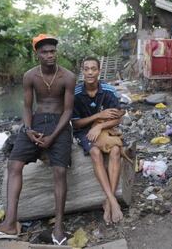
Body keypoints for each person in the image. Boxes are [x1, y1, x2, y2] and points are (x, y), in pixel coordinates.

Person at [0, 34, 76, 245]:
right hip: (36, 122)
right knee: (14, 164)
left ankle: (58, 227)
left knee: (59, 170)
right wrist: (28, 129)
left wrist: (52, 138)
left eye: (52, 51)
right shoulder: (30, 76)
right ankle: (10, 223)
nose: (49, 55)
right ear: (37, 54)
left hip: (59, 123)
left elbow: (68, 111)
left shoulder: (67, 76)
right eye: (44, 52)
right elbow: (27, 107)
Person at [72, 57, 125, 224]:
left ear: (99, 71)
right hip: (84, 131)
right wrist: (97, 116)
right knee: (95, 152)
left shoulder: (108, 90)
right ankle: (113, 201)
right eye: (86, 69)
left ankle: (109, 202)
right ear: (82, 71)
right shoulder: (76, 94)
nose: (89, 72)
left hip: (105, 127)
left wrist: (99, 126)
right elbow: (75, 123)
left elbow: (117, 119)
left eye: (93, 69)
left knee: (116, 150)